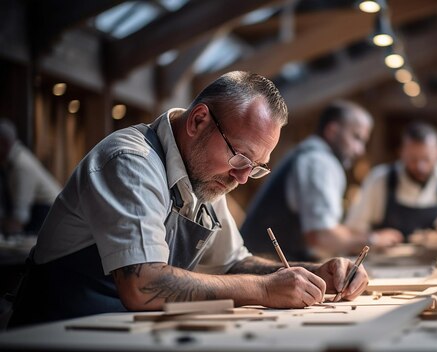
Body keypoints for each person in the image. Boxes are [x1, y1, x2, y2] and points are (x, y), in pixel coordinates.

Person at [8, 72, 368, 328]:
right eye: (241, 158)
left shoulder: (207, 177)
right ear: (198, 121)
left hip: (121, 337)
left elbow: (232, 263)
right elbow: (142, 285)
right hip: (55, 339)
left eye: (256, 167)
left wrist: (311, 274)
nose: (243, 177)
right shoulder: (131, 162)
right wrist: (263, 289)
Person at [241, 100, 376, 261]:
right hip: (261, 264)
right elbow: (321, 237)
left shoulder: (312, 154)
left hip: (272, 262)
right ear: (332, 131)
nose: (360, 150)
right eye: (356, 137)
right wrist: (372, 240)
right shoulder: (318, 161)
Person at [345, 120, 437, 247]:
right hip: (388, 265)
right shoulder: (378, 180)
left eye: (426, 159)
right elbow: (352, 230)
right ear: (401, 152)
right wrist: (374, 238)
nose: (420, 167)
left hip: (436, 264)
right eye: (412, 159)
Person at [0, 119, 61, 236]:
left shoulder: (21, 165)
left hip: (48, 216)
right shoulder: (8, 163)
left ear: (4, 143)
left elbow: (19, 218)